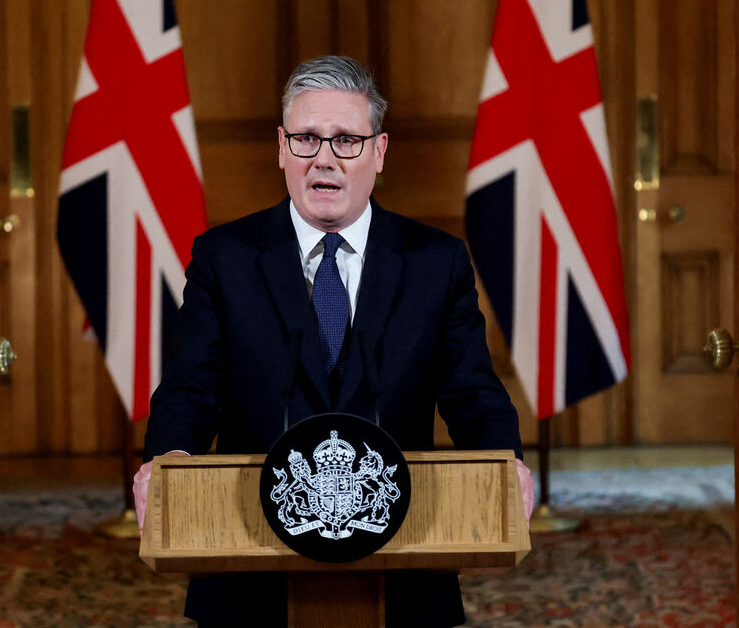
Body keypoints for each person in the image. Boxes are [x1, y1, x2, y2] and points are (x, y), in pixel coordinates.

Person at [133, 55, 534, 627]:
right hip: (252, 556)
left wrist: (506, 460)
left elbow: (472, 390)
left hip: (404, 553)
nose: (324, 158)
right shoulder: (224, 259)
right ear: (280, 149)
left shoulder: (435, 263)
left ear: (379, 152)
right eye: (306, 139)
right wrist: (169, 459)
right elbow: (191, 386)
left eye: (346, 140)